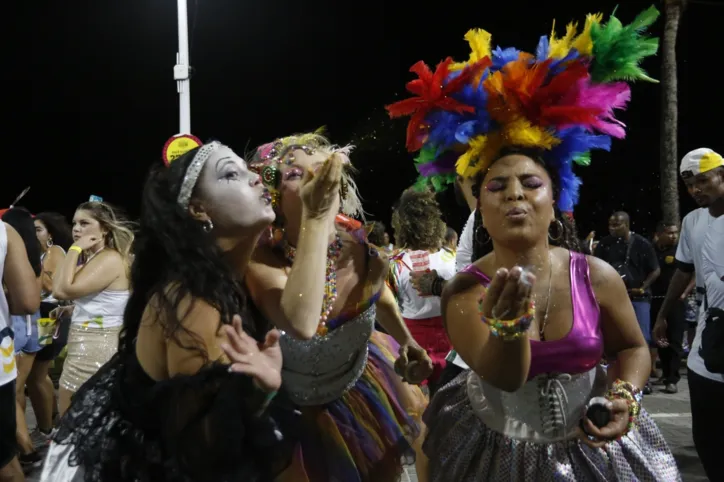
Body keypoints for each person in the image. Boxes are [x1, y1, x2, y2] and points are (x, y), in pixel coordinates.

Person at [387, 7, 680, 480]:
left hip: (593, 451)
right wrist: (507, 327)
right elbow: (504, 376)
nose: (515, 193)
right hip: (493, 449)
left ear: (556, 197)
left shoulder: (596, 275)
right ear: (479, 205)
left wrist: (625, 395)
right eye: (497, 186)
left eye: (530, 183)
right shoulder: (464, 289)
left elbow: (634, 347)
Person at [41, 140, 291, 482]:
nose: (257, 178)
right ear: (199, 209)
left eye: (249, 169)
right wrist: (260, 391)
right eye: (232, 173)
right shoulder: (193, 302)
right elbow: (199, 454)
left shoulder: (229, 278)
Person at [247, 132, 431, 482]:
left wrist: (407, 341)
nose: (317, 180)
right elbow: (300, 316)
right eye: (296, 174)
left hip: (359, 399)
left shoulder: (368, 256)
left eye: (322, 169)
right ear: (274, 197)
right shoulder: (260, 262)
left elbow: (380, 295)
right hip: (286, 419)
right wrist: (316, 221)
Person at [654, 147, 724, 481]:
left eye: (703, 181)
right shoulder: (692, 222)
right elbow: (682, 271)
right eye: (690, 185)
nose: (696, 189)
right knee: (708, 439)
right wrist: (663, 315)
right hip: (707, 345)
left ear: (721, 175)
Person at [51, 201, 133, 416]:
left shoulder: (110, 258)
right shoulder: (94, 258)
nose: (77, 229)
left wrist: (74, 249)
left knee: (77, 420)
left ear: (104, 229)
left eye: (85, 223)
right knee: (72, 418)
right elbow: (57, 286)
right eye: (75, 223)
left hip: (97, 348)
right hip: (82, 345)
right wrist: (71, 310)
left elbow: (61, 290)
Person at [390, 189, 455, 389]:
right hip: (453, 337)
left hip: (413, 343)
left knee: (421, 406)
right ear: (435, 221)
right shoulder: (452, 258)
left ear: (400, 224)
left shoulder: (394, 264)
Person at [594, 211, 660, 391]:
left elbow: (655, 270)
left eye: (617, 225)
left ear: (627, 225)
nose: (612, 228)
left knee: (641, 338)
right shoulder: (605, 245)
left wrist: (643, 287)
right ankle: (615, 379)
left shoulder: (642, 244)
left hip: (638, 297)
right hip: (613, 298)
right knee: (612, 339)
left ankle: (642, 381)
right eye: (610, 225)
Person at [1, 208, 45, 471]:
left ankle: (26, 448)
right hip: (28, 324)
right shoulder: (27, 247)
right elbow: (30, 299)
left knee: (19, 390)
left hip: (16, 326)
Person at [32, 212, 74, 436]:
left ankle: (47, 428)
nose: (33, 234)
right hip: (40, 313)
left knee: (39, 373)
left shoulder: (54, 251)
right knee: (37, 374)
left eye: (38, 230)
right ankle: (51, 418)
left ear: (50, 234)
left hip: (50, 314)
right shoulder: (40, 254)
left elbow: (50, 286)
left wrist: (29, 261)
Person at [650, 222, 685, 393]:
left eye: (675, 233)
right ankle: (664, 374)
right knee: (660, 339)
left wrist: (685, 293)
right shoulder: (651, 251)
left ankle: (673, 379)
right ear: (659, 233)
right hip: (655, 300)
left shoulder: (680, 251)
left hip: (675, 301)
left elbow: (691, 273)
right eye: (669, 233)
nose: (673, 236)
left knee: (675, 339)